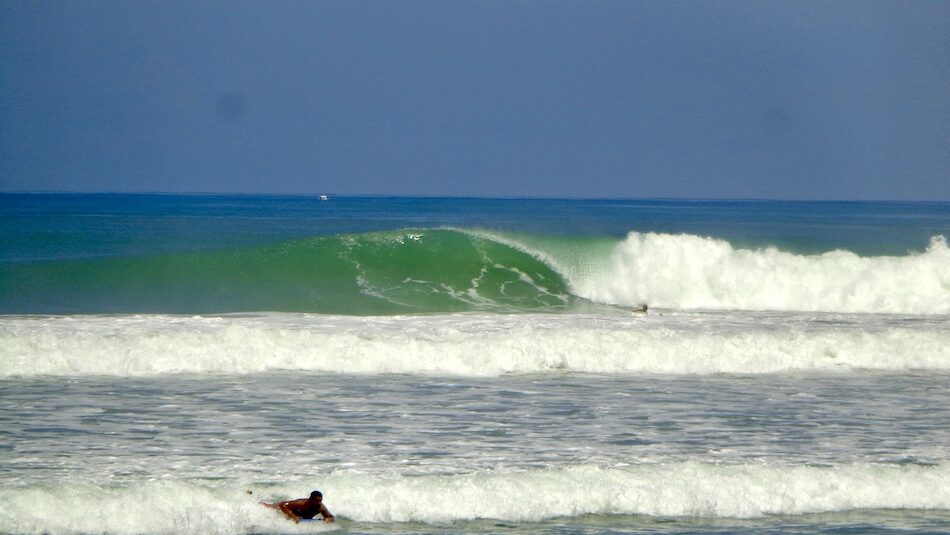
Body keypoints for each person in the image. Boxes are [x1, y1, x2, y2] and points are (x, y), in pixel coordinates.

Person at [260, 490, 335, 523]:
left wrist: (328, 519)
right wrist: (293, 516)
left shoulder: (321, 507)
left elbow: (330, 517)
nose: (319, 503)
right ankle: (258, 503)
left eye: (320, 500)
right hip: (284, 507)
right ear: (310, 500)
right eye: (317, 501)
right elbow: (281, 505)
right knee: (267, 506)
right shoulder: (301, 503)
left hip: (300, 516)